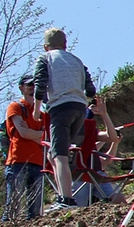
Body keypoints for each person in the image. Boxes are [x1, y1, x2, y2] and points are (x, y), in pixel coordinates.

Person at [33, 28, 96, 211]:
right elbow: (90, 89)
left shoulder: (45, 58)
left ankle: (66, 199)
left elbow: (40, 85)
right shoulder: (77, 61)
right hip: (79, 108)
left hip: (60, 108)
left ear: (46, 46)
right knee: (54, 153)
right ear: (65, 45)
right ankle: (63, 193)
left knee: (60, 155)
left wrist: (37, 111)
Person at [4, 74, 49, 221]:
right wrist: (39, 135)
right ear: (21, 88)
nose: (32, 89)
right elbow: (23, 133)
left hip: (37, 162)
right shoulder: (15, 107)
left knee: (35, 212)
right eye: (29, 85)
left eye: (35, 86)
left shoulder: (42, 114)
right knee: (13, 207)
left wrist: (34, 135)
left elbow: (44, 138)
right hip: (18, 161)